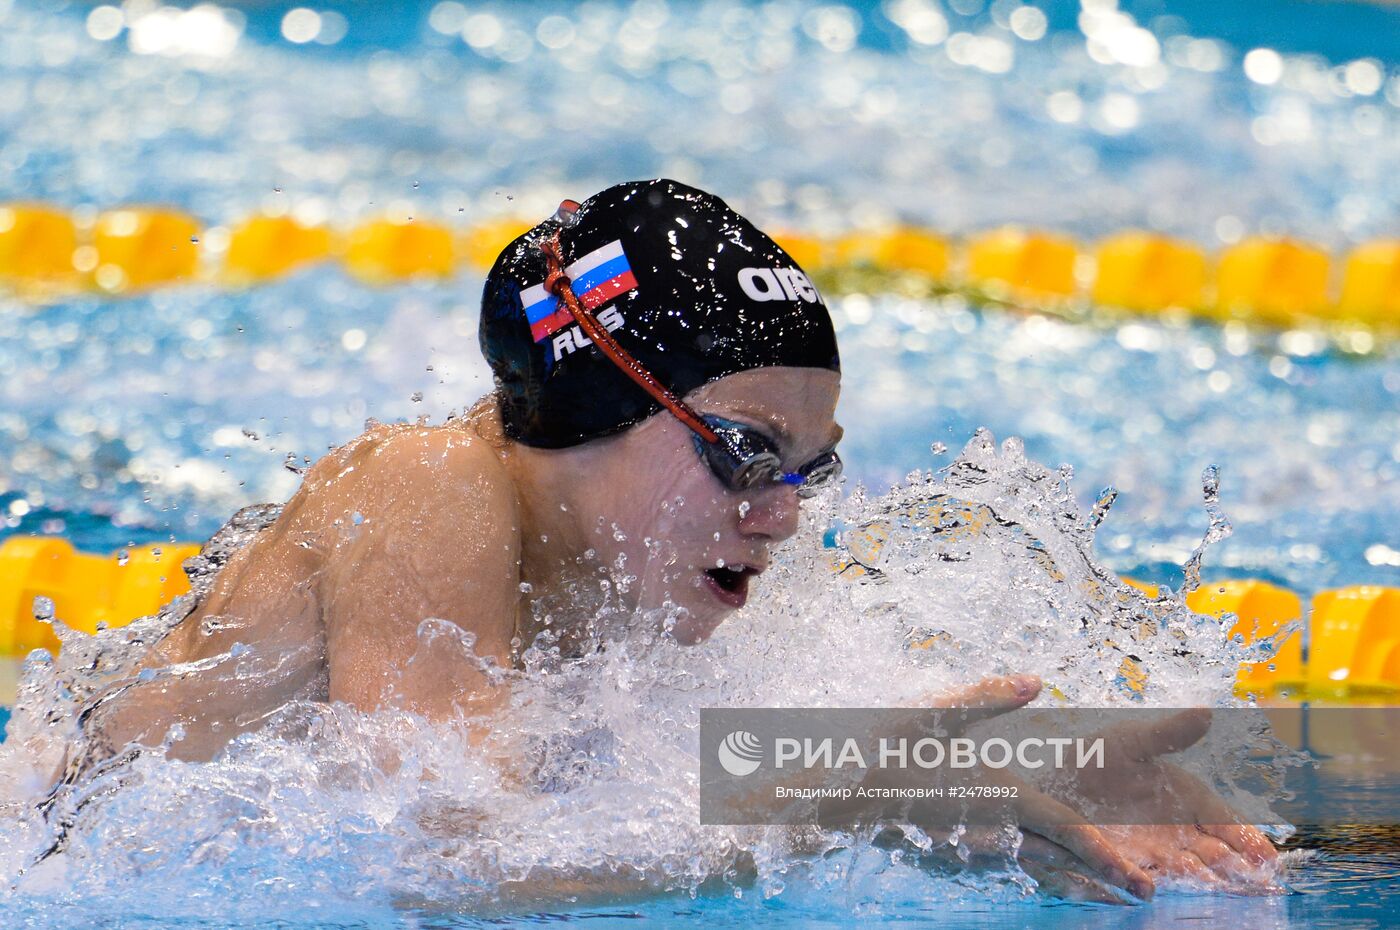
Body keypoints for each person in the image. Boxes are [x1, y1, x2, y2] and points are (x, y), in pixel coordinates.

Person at [60, 179, 1275, 901]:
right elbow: (444, 872)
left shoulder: (642, 572)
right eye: (744, 451)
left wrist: (970, 785)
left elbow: (679, 793)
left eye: (807, 466)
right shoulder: (426, 487)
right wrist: (823, 804)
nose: (782, 512)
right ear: (594, 409)